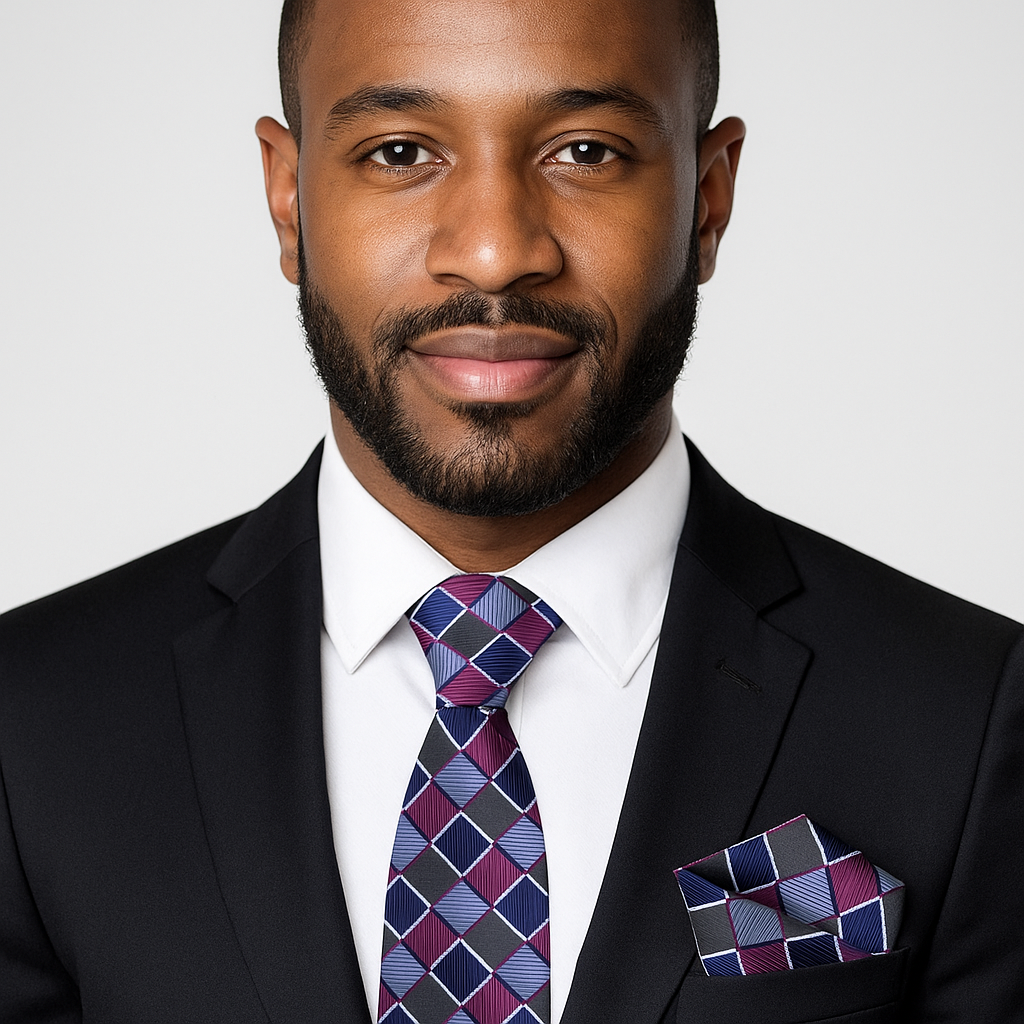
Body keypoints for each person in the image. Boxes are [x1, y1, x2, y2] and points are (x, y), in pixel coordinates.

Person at [1, 0, 1021, 1021]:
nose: (493, 253)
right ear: (286, 197)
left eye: (586, 150)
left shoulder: (967, 717)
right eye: (400, 152)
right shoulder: (33, 723)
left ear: (708, 201)